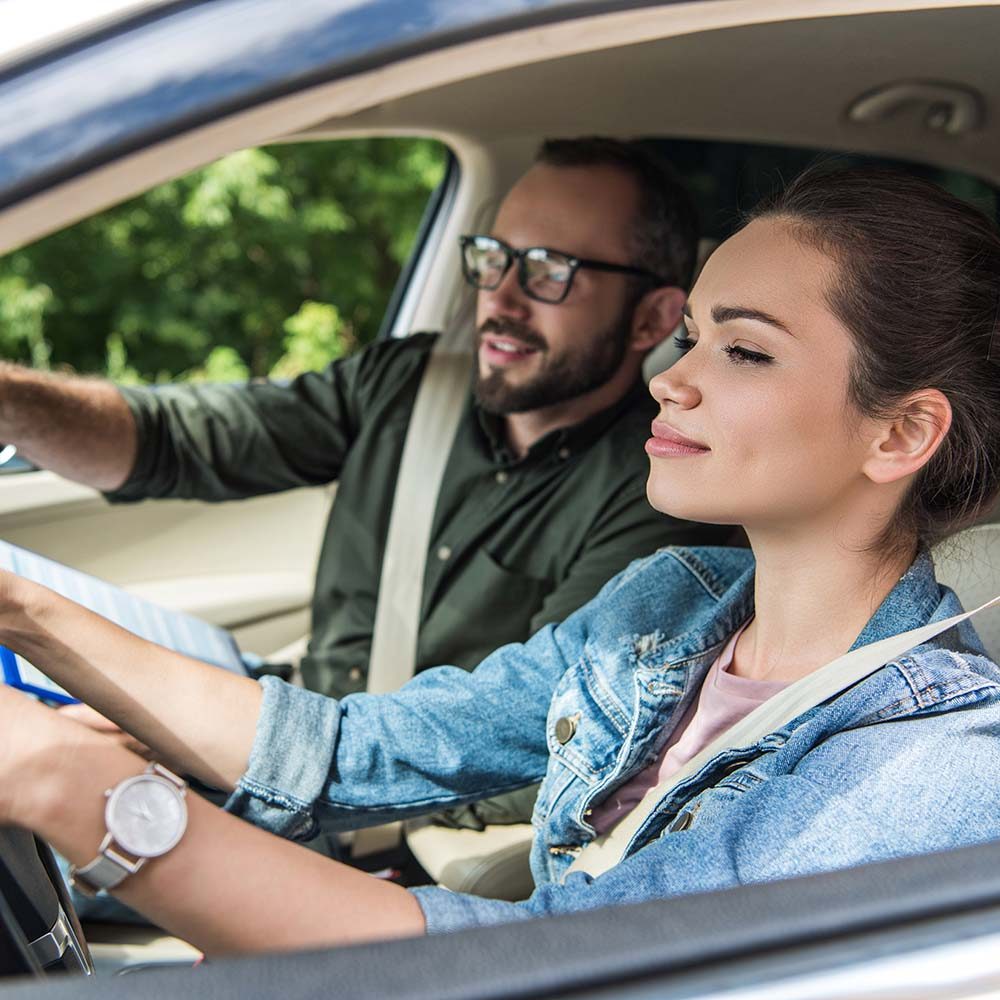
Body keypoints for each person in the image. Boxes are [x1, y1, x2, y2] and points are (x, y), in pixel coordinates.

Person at [0, 163, 998, 957]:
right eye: (690, 337)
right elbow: (357, 749)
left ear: (899, 434)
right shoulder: (670, 607)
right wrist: (23, 611)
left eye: (741, 351)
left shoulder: (928, 765)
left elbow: (558, 963)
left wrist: (69, 784)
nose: (669, 383)